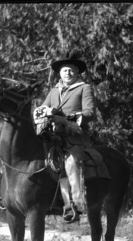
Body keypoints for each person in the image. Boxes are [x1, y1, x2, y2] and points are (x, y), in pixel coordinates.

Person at [33, 51, 96, 223]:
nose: (67, 73)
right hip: (51, 135)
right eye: (64, 70)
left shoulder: (84, 88)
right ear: (59, 73)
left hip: (74, 135)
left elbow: (89, 113)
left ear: (77, 72)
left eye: (71, 70)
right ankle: (20, 196)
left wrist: (63, 118)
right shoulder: (54, 91)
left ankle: (75, 205)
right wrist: (41, 113)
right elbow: (43, 108)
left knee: (71, 161)